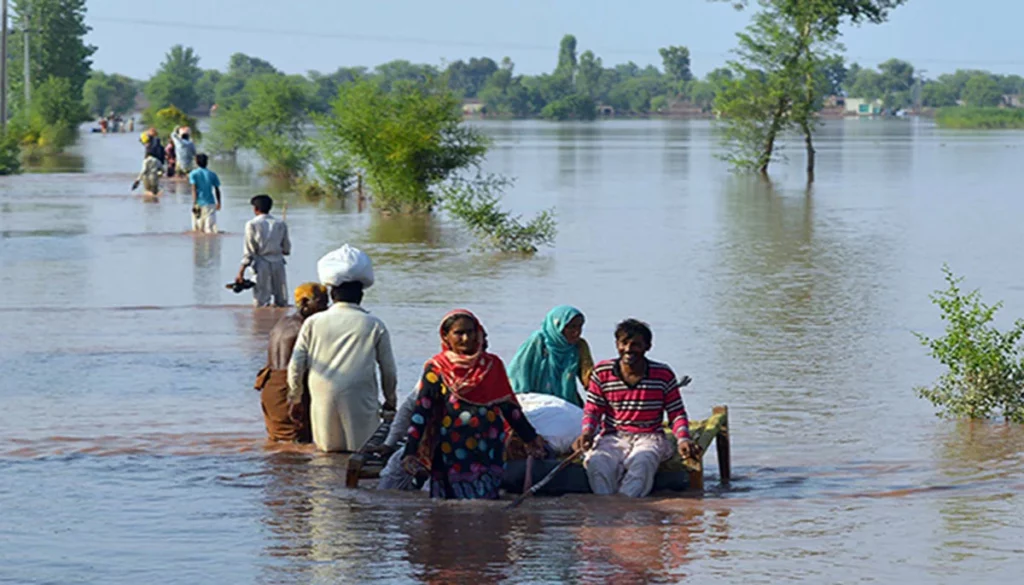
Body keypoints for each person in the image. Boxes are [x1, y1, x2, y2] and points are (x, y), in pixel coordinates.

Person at [401, 309, 545, 500]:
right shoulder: (436, 368)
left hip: (488, 447)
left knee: (486, 500)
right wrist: (410, 450)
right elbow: (423, 409)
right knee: (451, 504)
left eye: (471, 331)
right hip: (451, 449)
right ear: (446, 336)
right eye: (459, 333)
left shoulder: (492, 365)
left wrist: (531, 439)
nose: (466, 338)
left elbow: (509, 408)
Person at [572, 319, 696, 498]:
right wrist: (587, 433)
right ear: (617, 345)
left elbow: (676, 413)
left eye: (636, 345)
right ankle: (606, 510)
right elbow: (593, 409)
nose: (629, 349)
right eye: (624, 343)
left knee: (643, 461)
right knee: (597, 462)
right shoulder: (602, 372)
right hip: (613, 436)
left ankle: (627, 512)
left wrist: (683, 439)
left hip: (649, 436)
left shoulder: (663, 374)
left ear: (648, 347)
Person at [287, 280, 398, 453]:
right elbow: (388, 369)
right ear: (361, 297)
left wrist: (295, 396)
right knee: (361, 451)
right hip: (360, 394)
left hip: (322, 391)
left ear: (332, 296)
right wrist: (390, 400)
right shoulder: (374, 324)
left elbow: (296, 363)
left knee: (325, 453)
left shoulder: (312, 322)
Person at [255, 283, 328, 443]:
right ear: (304, 303)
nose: (326, 307)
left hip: (270, 387)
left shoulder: (282, 322)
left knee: (278, 444)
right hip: (288, 389)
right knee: (297, 445)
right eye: (321, 302)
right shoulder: (305, 328)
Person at [508, 305, 595, 408]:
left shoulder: (579, 347)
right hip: (537, 403)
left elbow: (589, 377)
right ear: (558, 325)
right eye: (571, 327)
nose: (577, 332)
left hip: (568, 404)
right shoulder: (539, 341)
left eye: (580, 326)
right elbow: (519, 371)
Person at [236, 194, 291, 307]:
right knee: (282, 300)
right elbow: (286, 249)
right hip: (278, 263)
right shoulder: (280, 223)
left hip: (261, 264)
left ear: (255, 209)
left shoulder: (252, 224)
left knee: (260, 301)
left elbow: (249, 251)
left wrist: (241, 272)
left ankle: (260, 322)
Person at [376, 384, 422, 491]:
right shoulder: (436, 372)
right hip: (430, 444)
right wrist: (389, 443)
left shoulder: (437, 372)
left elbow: (408, 409)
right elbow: (408, 408)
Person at [188, 153, 222, 233]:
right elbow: (217, 189)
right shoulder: (212, 174)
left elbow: (194, 189)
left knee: (198, 229)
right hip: (210, 203)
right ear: (207, 162)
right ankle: (210, 245)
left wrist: (195, 203)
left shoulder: (193, 174)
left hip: (199, 203)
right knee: (209, 229)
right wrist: (219, 202)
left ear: (196, 162)